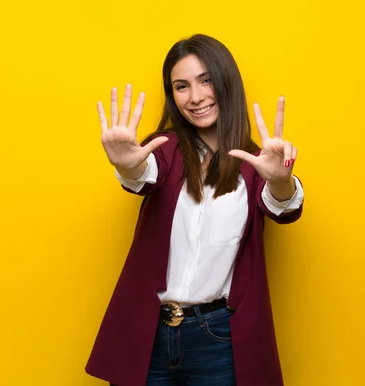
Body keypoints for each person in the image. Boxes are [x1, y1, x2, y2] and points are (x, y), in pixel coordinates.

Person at [86, 34, 304, 386]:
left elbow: (283, 206)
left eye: (206, 80)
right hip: (147, 334)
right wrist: (126, 165)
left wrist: (280, 180)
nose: (196, 96)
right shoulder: (164, 149)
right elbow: (143, 174)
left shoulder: (256, 164)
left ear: (226, 83)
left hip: (218, 340)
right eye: (181, 86)